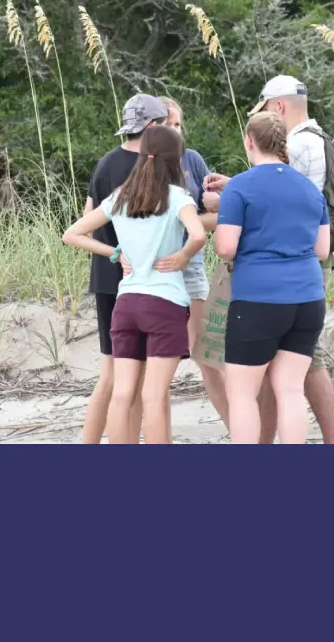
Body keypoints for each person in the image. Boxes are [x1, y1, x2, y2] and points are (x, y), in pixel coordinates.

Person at [205, 75, 334, 444]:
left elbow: (225, 247)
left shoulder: (240, 186)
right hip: (307, 299)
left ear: (249, 141)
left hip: (258, 300)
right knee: (290, 389)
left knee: (242, 393)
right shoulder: (308, 190)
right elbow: (322, 250)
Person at [63, 123, 206, 444]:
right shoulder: (178, 196)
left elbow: (71, 234)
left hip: (126, 304)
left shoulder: (119, 198)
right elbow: (198, 234)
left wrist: (114, 252)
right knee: (153, 396)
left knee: (122, 393)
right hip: (164, 304)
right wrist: (183, 257)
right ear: (174, 161)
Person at [120, 97, 228, 430]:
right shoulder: (139, 164)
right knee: (149, 367)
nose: (175, 131)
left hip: (190, 264)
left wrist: (192, 219)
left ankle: (241, 433)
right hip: (147, 271)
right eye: (168, 124)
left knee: (206, 355)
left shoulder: (192, 161)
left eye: (179, 124)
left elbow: (217, 216)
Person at [79, 93, 171, 444]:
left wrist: (111, 252)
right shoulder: (151, 167)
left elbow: (87, 219)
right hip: (142, 283)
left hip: (105, 279)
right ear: (151, 127)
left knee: (112, 375)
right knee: (134, 377)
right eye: (162, 126)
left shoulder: (104, 164)